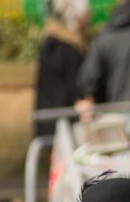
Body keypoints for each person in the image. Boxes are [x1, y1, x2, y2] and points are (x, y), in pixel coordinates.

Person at [34, 0, 90, 137]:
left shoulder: (49, 44)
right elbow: (79, 96)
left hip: (47, 127)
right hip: (65, 131)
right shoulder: (71, 50)